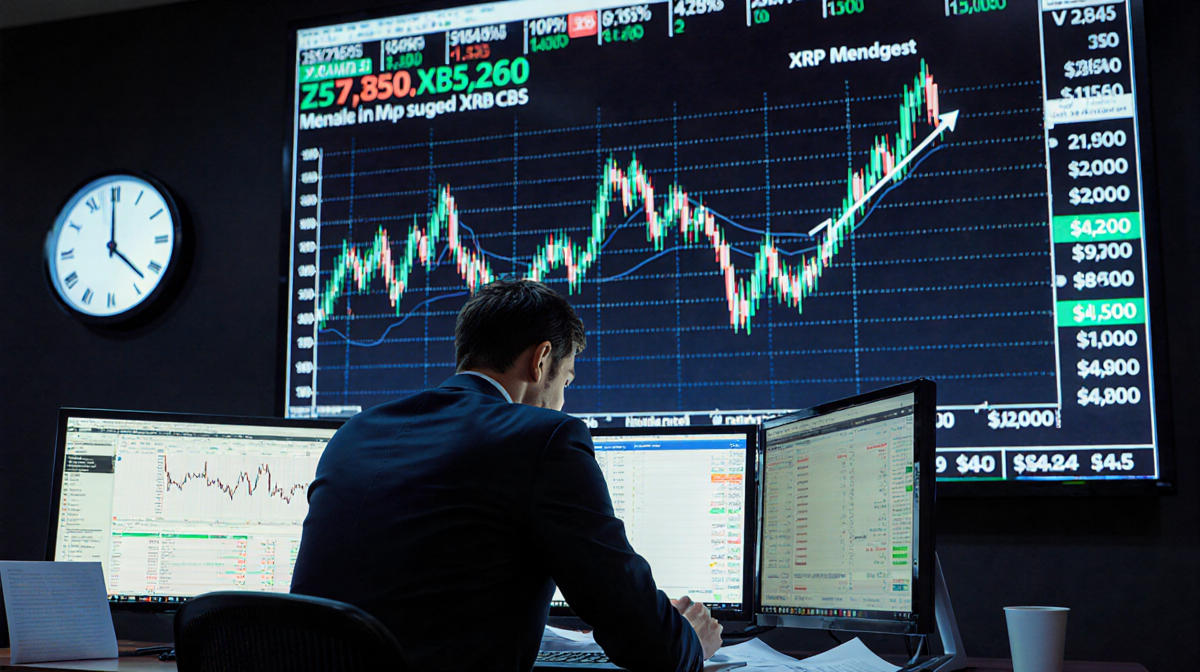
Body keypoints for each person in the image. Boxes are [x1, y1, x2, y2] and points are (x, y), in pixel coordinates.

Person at [291, 279, 722, 672]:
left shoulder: (353, 435)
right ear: (541, 360)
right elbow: (641, 635)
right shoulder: (546, 438)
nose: (562, 400)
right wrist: (690, 643)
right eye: (566, 381)